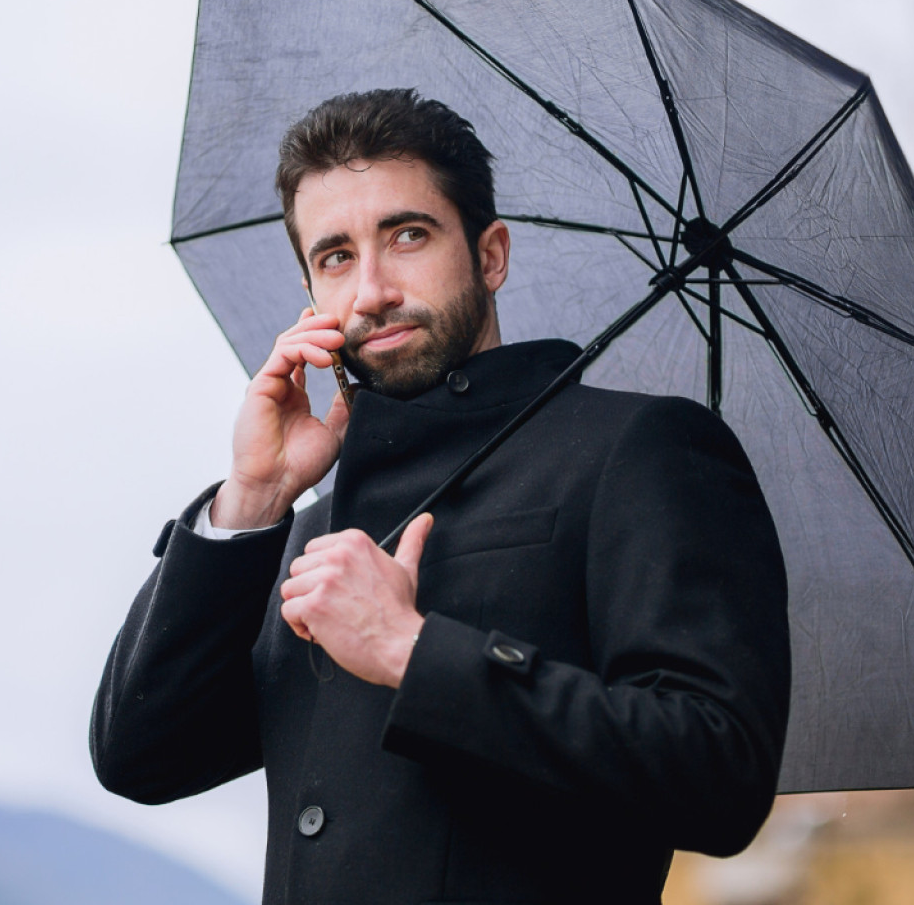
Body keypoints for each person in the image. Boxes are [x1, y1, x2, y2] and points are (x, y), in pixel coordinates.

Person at [91, 89, 790, 904]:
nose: (373, 289)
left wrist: (412, 653)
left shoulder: (636, 453)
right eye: (336, 257)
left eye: (408, 236)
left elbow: (718, 770)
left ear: (490, 254)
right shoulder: (306, 533)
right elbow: (141, 756)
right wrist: (254, 496)